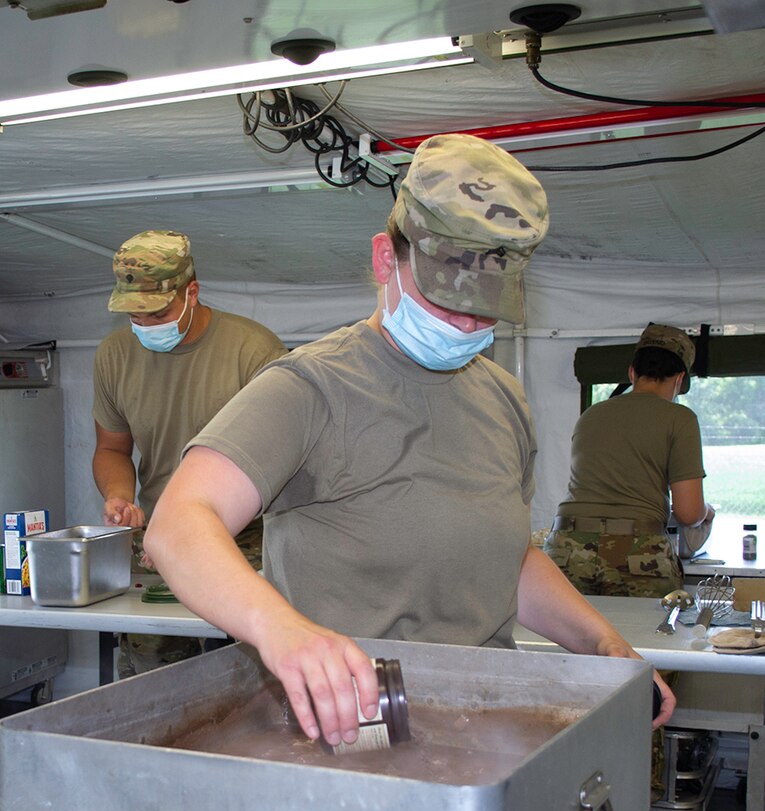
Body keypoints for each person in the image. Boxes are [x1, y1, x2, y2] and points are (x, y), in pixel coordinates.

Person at [145, 135, 675, 745]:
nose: (467, 324)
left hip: (481, 725)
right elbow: (179, 524)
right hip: (354, 729)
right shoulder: (311, 387)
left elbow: (505, 558)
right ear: (383, 261)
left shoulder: (503, 398)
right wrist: (281, 630)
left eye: (486, 307)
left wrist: (600, 642)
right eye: (448, 299)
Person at [92, 229, 285, 676]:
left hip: (247, 542)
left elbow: (278, 466)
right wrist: (120, 497)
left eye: (157, 312)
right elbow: (111, 447)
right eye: (133, 315)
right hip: (159, 542)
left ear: (191, 293)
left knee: (248, 678)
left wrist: (192, 535)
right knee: (151, 678)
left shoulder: (253, 351)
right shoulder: (114, 355)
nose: (144, 326)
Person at [543, 323, 715, 599]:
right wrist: (707, 511)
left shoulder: (592, 414)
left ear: (632, 372)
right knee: (645, 638)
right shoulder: (680, 419)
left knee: (571, 641)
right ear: (680, 378)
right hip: (637, 552)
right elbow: (688, 513)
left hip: (566, 547)